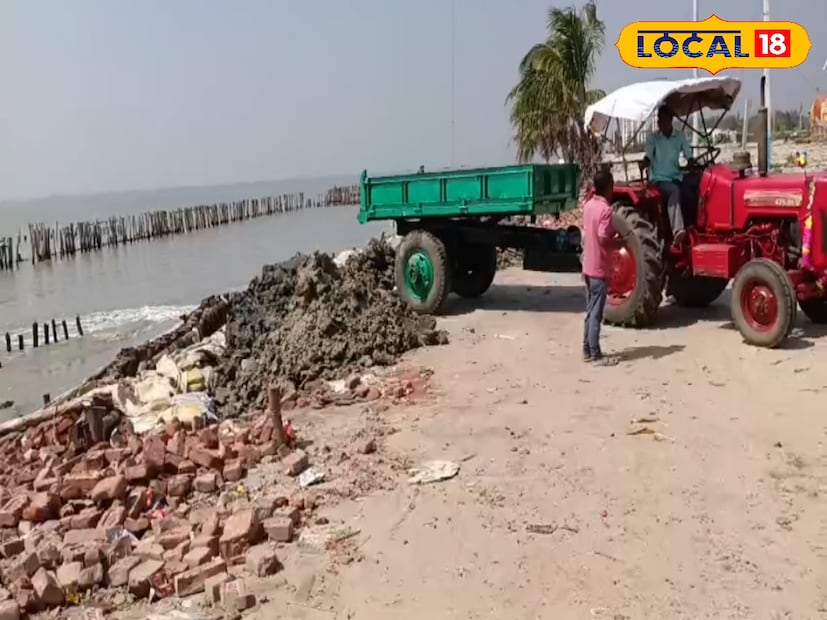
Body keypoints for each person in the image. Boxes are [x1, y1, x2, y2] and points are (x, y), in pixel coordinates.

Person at [582, 168, 624, 366]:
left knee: (590, 311)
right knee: (596, 313)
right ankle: (595, 353)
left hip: (587, 265)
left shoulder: (588, 205)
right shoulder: (605, 210)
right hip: (599, 267)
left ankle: (586, 350)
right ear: (608, 187)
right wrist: (618, 243)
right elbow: (602, 237)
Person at [645, 105, 694, 245]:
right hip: (659, 180)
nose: (659, 123)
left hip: (676, 177)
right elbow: (648, 155)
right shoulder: (653, 138)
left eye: (662, 120)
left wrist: (691, 162)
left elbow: (688, 155)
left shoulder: (679, 136)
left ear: (670, 120)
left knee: (696, 187)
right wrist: (645, 160)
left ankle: (694, 226)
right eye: (658, 120)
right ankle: (677, 230)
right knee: (674, 190)